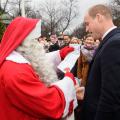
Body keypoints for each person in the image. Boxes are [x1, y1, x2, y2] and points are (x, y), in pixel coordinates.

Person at [0, 17, 79, 120]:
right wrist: (68, 80)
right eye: (36, 40)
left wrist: (59, 54)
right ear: (25, 42)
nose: (39, 43)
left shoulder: (15, 61)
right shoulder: (16, 72)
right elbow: (50, 104)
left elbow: (36, 62)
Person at [81, 4, 120, 120]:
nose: (86, 29)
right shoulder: (110, 41)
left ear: (98, 17)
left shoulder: (114, 44)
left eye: (87, 24)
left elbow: (110, 97)